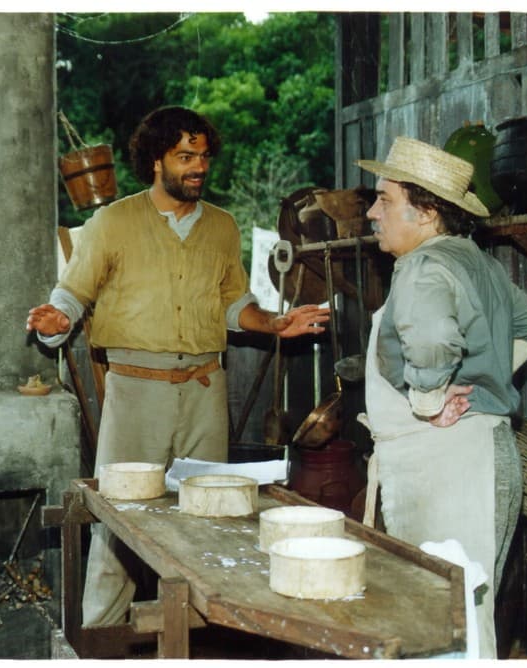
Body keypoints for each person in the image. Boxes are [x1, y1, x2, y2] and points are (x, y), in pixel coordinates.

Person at [26, 106, 329, 627]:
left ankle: (200, 640)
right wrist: (56, 319)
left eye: (204, 157)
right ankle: (97, 641)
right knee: (120, 523)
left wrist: (274, 324)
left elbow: (235, 305)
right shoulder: (112, 222)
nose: (198, 167)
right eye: (185, 156)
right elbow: (72, 294)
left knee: (210, 521)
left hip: (204, 391)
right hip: (136, 391)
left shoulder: (222, 227)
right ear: (155, 161)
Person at [355, 136, 527, 658]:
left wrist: (430, 400)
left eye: (385, 200)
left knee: (448, 620)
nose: (373, 212)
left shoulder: (423, 267)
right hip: (483, 452)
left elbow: (434, 340)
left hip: (446, 463)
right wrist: (483, 376)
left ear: (426, 213)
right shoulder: (474, 261)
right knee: (469, 607)